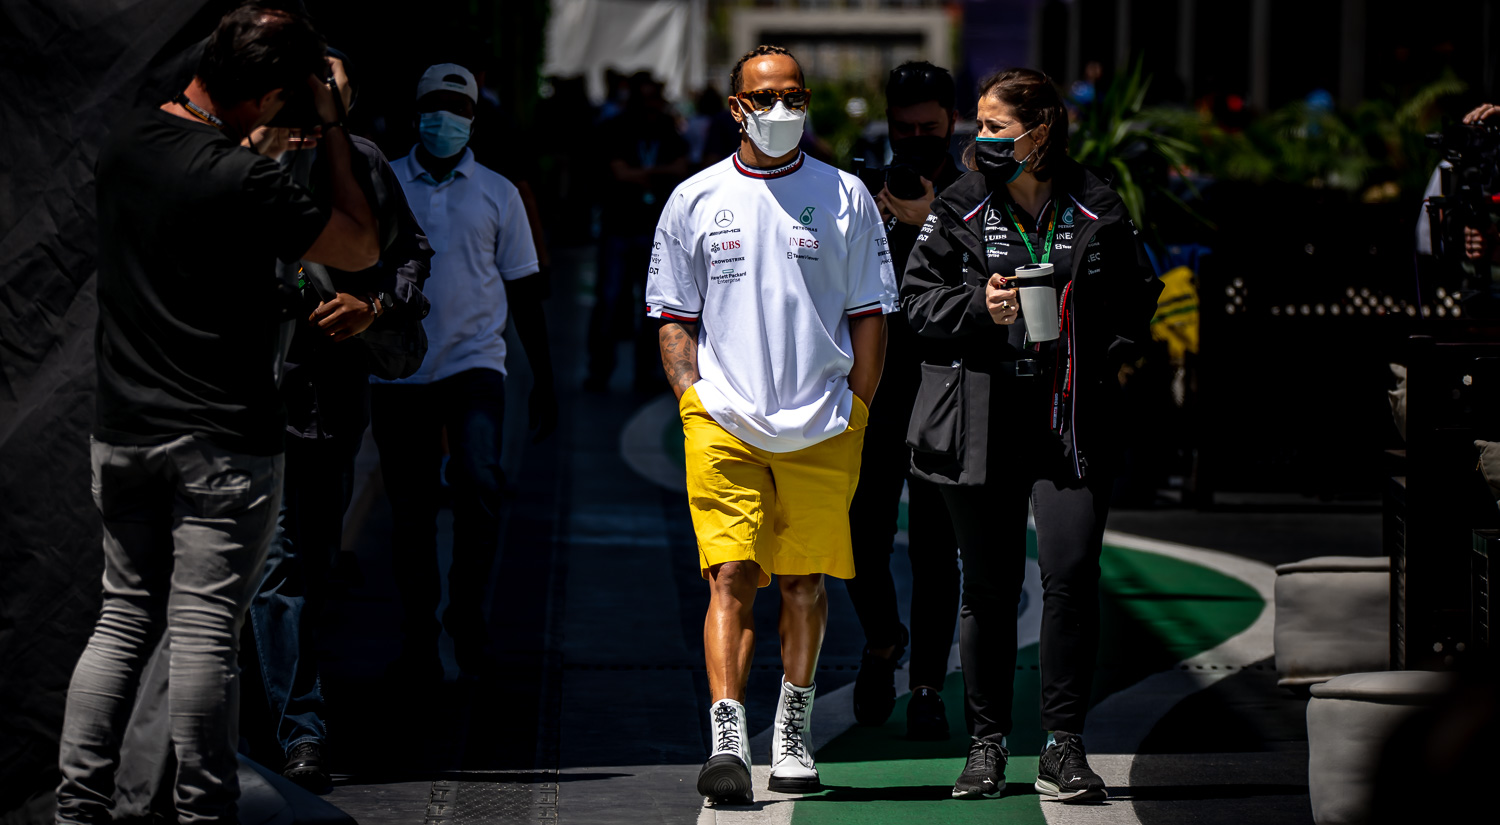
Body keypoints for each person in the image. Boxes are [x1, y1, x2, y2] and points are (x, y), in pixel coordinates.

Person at [56, 5, 379, 822]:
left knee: (121, 620)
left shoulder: (125, 146)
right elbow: (357, 246)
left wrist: (264, 131)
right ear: (272, 94)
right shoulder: (245, 178)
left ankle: (78, 806)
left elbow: (197, 206)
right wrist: (332, 125)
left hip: (123, 429)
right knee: (203, 635)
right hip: (223, 438)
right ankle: (204, 813)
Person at [646, 45, 897, 804]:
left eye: (794, 95)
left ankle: (792, 727)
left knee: (803, 580)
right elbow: (674, 320)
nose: (782, 110)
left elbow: (870, 317)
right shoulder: (694, 198)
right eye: (765, 97)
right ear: (736, 108)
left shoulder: (847, 195)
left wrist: (856, 409)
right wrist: (693, 402)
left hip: (822, 422)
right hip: (724, 419)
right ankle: (727, 735)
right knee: (730, 575)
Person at [902, 68, 1161, 803]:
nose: (977, 139)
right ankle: (986, 745)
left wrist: (1094, 333)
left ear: (1039, 130)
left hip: (1069, 421)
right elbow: (916, 306)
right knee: (987, 589)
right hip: (981, 422)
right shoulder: (956, 206)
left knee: (1072, 578)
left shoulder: (1097, 204)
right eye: (977, 125)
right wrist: (980, 307)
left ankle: (1064, 744)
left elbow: (1140, 300)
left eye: (993, 126)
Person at [244, 49, 433, 788]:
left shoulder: (361, 162)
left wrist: (373, 308)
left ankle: (279, 711)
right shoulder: (241, 163)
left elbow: (409, 256)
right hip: (260, 402)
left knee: (312, 561)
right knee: (277, 564)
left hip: (334, 399)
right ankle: (300, 730)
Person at [370, 62, 556, 682]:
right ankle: (417, 633)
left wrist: (546, 383)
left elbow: (525, 291)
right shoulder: (385, 182)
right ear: (416, 112)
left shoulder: (498, 193)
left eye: (457, 106)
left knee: (479, 484)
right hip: (398, 373)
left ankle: (467, 618)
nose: (443, 118)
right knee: (412, 510)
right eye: (433, 104)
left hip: (475, 364)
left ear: (474, 118)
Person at [846, 61, 965, 740]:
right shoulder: (860, 193)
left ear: (951, 121)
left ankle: (925, 686)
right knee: (859, 532)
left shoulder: (974, 194)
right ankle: (881, 639)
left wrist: (930, 223)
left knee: (932, 545)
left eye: (929, 128)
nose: (917, 140)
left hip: (947, 391)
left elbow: (989, 277)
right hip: (870, 392)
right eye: (904, 130)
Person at [585, 72, 690, 392]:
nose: (650, 107)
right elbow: (619, 173)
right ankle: (600, 371)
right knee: (609, 300)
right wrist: (656, 174)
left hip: (654, 231)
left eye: (654, 100)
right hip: (619, 226)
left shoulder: (668, 130)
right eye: (644, 100)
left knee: (652, 305)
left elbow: (681, 169)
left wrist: (640, 174)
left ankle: (646, 374)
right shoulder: (615, 129)